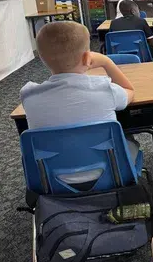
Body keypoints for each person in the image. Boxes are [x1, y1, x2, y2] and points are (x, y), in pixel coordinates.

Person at [20, 22, 140, 184]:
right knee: (130, 141)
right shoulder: (104, 89)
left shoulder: (29, 96)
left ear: (41, 58)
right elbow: (129, 91)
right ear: (87, 57)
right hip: (112, 174)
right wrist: (106, 62)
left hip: (51, 181)